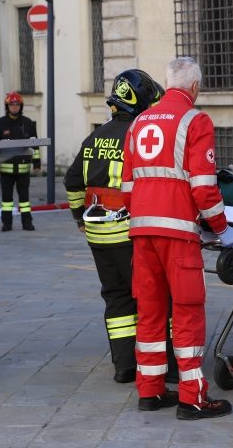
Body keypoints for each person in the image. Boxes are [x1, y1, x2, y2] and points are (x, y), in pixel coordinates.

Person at [121, 56, 233, 420]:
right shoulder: (195, 120)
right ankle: (193, 398)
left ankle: (150, 390)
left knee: (150, 311)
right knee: (187, 311)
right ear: (195, 86)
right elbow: (203, 187)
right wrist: (222, 229)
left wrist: (144, 215)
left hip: (142, 232)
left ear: (168, 82)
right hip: (177, 233)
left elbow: (126, 188)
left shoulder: (139, 122)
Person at [64, 69, 173, 384]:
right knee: (155, 296)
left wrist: (78, 216)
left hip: (97, 233)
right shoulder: (138, 136)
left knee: (117, 297)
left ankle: (124, 366)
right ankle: (166, 363)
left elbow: (72, 181)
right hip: (128, 231)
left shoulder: (95, 136)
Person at [0, 92, 40, 231]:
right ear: (7, 106)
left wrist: (36, 163)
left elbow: (35, 145)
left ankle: (27, 223)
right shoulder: (0, 124)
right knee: (6, 200)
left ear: (21, 106)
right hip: (6, 171)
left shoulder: (28, 123)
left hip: (23, 169)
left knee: (25, 200)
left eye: (17, 104)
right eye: (11, 104)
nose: (14, 107)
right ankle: (7, 224)